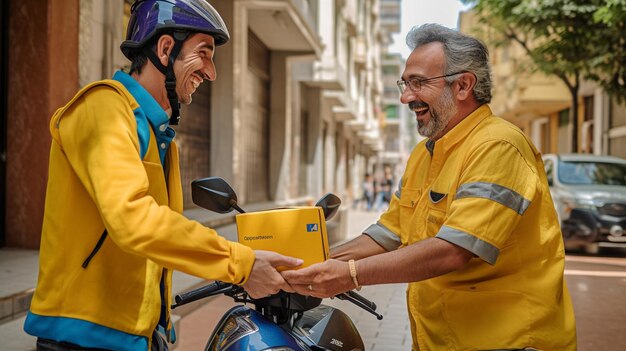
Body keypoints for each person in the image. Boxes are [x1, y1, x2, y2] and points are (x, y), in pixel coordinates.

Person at [23, 1, 301, 350]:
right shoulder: (104, 109)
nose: (211, 72)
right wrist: (240, 262)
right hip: (84, 337)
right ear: (166, 49)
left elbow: (160, 236)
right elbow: (135, 219)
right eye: (204, 54)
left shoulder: (158, 134)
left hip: (139, 335)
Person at [283, 23, 577, 350]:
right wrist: (311, 265)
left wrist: (349, 274)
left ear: (463, 85)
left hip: (509, 340)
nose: (406, 97)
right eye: (405, 83)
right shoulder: (424, 154)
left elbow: (453, 250)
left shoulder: (498, 145)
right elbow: (389, 233)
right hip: (441, 339)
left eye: (418, 83)